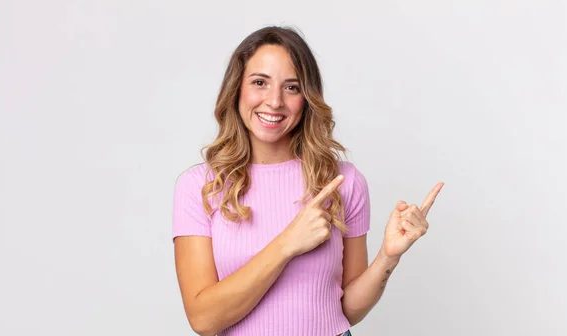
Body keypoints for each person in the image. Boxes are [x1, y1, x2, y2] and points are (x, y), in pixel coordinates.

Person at [172, 26, 444, 336]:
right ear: (237, 89)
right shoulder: (200, 187)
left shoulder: (342, 182)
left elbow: (348, 311)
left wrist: (388, 257)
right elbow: (203, 320)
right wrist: (288, 244)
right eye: (260, 82)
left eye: (292, 87)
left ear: (307, 98)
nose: (274, 101)